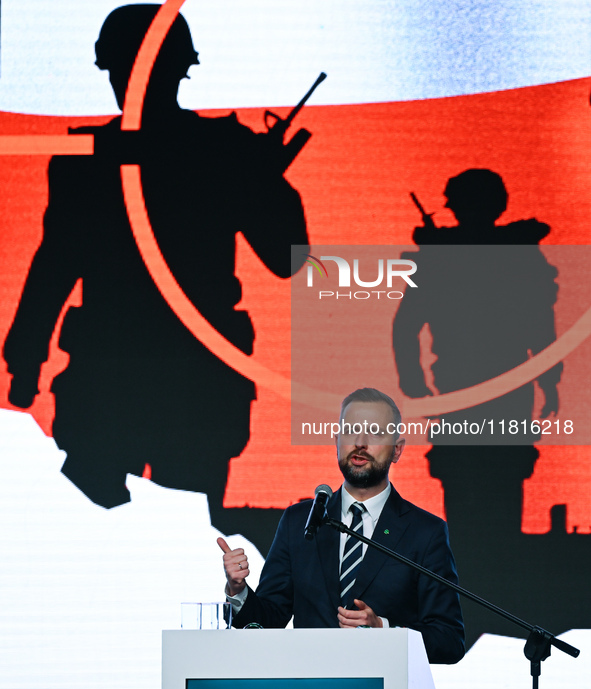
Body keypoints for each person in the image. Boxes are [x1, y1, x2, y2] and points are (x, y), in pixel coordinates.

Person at [3, 5, 308, 552]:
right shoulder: (222, 151)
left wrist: (26, 361)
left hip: (122, 376)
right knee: (170, 536)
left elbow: (53, 268)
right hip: (178, 378)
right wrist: (264, 176)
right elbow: (290, 258)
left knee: (122, 534)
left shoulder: (87, 157)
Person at [218, 388, 465, 664]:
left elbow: (449, 640)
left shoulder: (425, 532)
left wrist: (384, 630)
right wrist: (238, 590)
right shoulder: (299, 522)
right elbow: (266, 622)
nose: (360, 442)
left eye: (374, 432)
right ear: (336, 440)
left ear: (397, 450)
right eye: (350, 431)